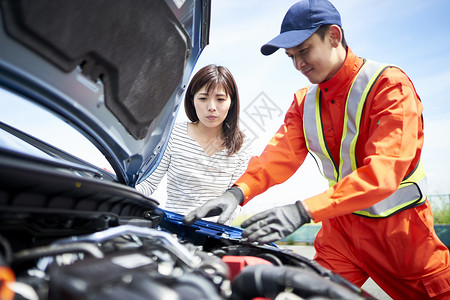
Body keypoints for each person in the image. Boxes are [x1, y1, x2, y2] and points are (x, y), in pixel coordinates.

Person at [182, 1, 450, 298]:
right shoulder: (305, 102)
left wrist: (303, 211)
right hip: (341, 237)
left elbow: (383, 173)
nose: (298, 64)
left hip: (402, 239)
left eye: (304, 51)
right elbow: (277, 157)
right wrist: (236, 193)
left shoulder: (389, 87)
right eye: (291, 56)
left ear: (334, 36)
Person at [136, 64, 251, 225]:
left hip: (214, 234)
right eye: (203, 98)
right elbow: (148, 184)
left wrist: (212, 227)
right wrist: (118, 186)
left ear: (231, 102)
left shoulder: (242, 145)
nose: (211, 107)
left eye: (220, 99)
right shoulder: (172, 134)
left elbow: (236, 199)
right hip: (174, 229)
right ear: (192, 100)